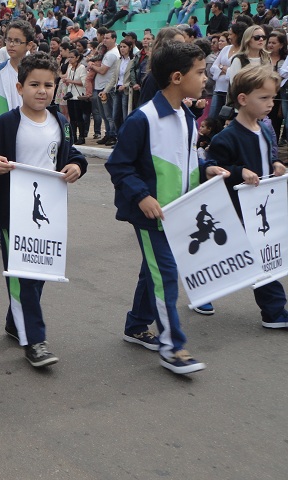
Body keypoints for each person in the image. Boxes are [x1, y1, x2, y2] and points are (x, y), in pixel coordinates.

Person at [105, 41, 230, 375]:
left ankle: (136, 325)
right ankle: (172, 347)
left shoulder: (186, 117)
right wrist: (142, 196)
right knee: (166, 276)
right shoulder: (143, 119)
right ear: (177, 77)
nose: (206, 78)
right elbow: (119, 165)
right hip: (152, 216)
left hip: (179, 214)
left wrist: (206, 169)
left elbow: (183, 160)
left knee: (154, 272)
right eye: (200, 72)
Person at [0, 52, 87, 368]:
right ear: (20, 87)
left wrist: (77, 166)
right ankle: (35, 340)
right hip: (12, 213)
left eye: (48, 85)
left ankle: (16, 322)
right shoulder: (6, 124)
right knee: (22, 277)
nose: (41, 91)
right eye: (34, 84)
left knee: (39, 274)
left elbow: (71, 155)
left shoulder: (60, 123)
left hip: (48, 214)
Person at [206, 65, 288, 328]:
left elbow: (268, 156)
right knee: (252, 258)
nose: (271, 103)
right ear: (242, 99)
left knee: (257, 257)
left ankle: (205, 291)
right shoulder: (226, 137)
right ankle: (274, 312)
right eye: (263, 98)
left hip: (260, 208)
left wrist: (276, 164)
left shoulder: (264, 130)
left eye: (273, 97)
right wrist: (238, 171)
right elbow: (213, 170)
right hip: (237, 210)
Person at [0, 19, 36, 119]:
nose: (11, 44)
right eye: (9, 40)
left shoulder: (37, 73)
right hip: (3, 127)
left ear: (29, 45)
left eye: (17, 41)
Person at [91, 30, 120, 146]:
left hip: (106, 87)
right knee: (104, 114)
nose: (105, 40)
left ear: (114, 39)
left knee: (108, 114)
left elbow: (102, 70)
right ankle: (108, 133)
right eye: (104, 38)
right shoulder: (107, 52)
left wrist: (92, 66)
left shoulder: (112, 54)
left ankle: (112, 135)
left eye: (107, 38)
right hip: (101, 86)